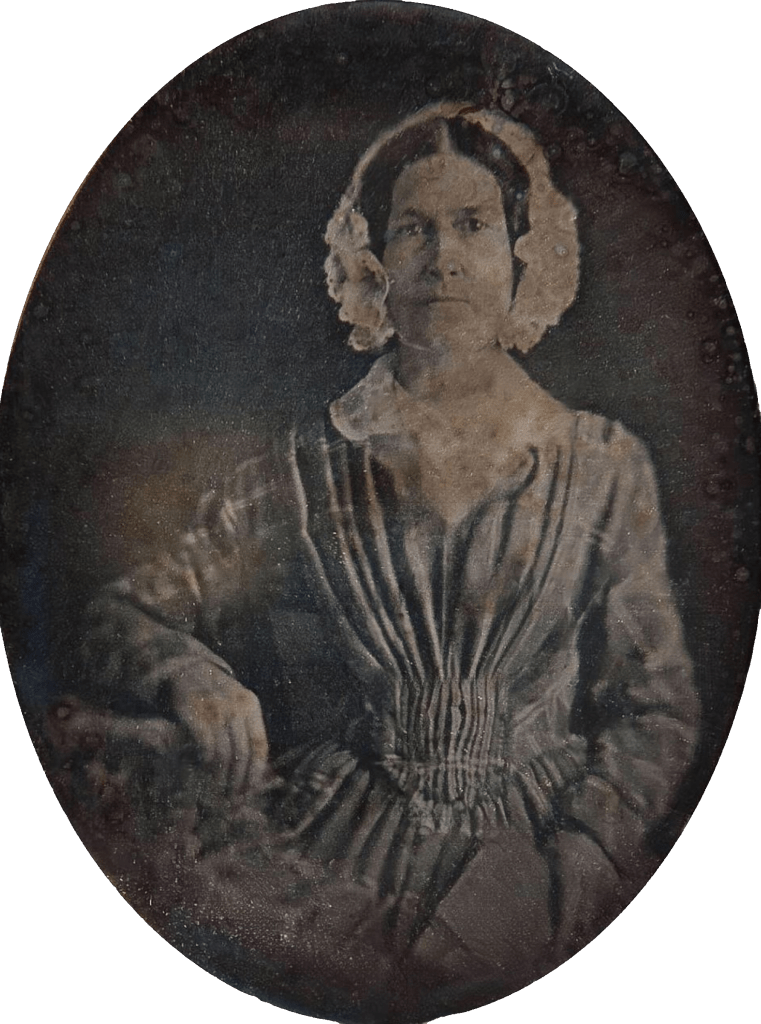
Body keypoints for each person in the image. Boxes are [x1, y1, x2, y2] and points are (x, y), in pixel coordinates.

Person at [60, 102, 698, 1012]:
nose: (444, 259)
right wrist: (188, 673)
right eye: (414, 229)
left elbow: (657, 707)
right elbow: (119, 612)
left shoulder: (601, 465)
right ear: (373, 262)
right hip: (334, 852)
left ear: (522, 251)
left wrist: (580, 867)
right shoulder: (301, 469)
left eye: (473, 225)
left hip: (542, 853)